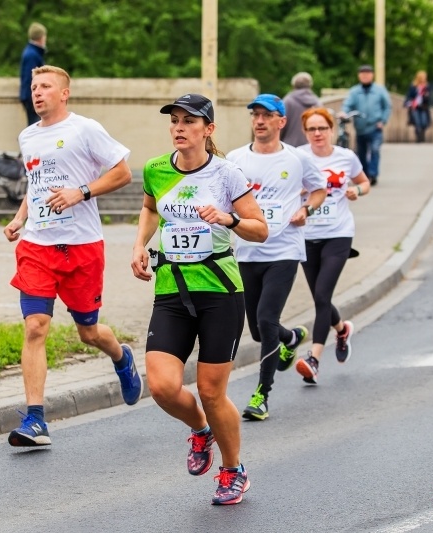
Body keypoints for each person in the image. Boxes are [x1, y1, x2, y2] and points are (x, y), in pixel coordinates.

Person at [131, 94, 267, 506]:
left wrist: (229, 219)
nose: (179, 127)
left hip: (219, 293)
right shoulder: (157, 169)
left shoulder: (227, 175)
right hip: (171, 288)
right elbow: (151, 208)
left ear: (208, 130)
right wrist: (140, 244)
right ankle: (201, 429)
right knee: (161, 386)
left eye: (189, 122)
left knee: (210, 390)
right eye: (174, 120)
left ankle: (233, 469)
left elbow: (260, 229)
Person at [3, 65, 142, 447]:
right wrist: (19, 219)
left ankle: (121, 357)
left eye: (46, 86)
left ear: (64, 93)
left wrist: (81, 192)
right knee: (35, 326)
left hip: (81, 246)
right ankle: (35, 419)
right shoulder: (27, 136)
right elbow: (36, 186)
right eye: (34, 87)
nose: (37, 92)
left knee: (88, 332)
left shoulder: (85, 129)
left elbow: (123, 173)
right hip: (36, 246)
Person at [227, 94, 326, 420]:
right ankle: (292, 336)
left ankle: (261, 395)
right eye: (255, 115)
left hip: (284, 250)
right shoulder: (236, 158)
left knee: (267, 320)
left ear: (281, 122)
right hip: (247, 250)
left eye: (266, 115)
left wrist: (305, 209)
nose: (259, 120)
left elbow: (319, 189)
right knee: (257, 330)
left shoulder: (297, 159)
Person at [293, 108, 370, 385]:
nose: (317, 134)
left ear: (331, 130)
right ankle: (341, 329)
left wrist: (356, 191)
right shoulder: (297, 157)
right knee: (319, 297)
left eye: (322, 128)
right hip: (306, 235)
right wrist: (299, 192)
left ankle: (313, 359)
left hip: (338, 233)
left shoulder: (346, 157)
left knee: (323, 295)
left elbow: (364, 182)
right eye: (312, 129)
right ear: (305, 133)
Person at [342, 65, 391, 186]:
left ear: (372, 75)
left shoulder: (379, 90)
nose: (365, 76)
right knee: (361, 152)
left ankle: (373, 174)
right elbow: (347, 105)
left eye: (367, 74)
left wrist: (383, 120)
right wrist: (344, 112)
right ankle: (366, 174)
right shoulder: (355, 91)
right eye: (362, 74)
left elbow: (387, 106)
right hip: (360, 127)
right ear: (359, 76)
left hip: (375, 126)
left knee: (375, 149)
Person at [280, 72, 321, 147]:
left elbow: (281, 125)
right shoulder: (317, 102)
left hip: (290, 146)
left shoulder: (288, 101)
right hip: (311, 146)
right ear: (310, 85)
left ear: (293, 85)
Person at [19, 22, 47, 126]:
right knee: (35, 126)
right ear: (41, 37)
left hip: (29, 97)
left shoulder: (31, 52)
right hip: (31, 98)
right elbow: (30, 78)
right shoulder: (33, 55)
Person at [405, 70, 432, 143]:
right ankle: (418, 137)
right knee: (417, 122)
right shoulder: (413, 86)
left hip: (424, 107)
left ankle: (422, 135)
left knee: (424, 122)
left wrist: (426, 95)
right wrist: (409, 103)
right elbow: (409, 96)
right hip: (415, 106)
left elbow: (429, 98)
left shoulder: (427, 86)